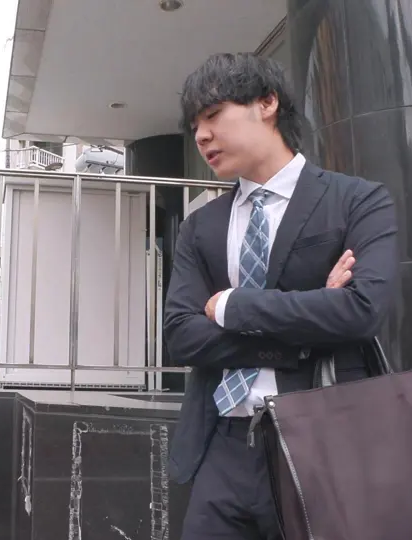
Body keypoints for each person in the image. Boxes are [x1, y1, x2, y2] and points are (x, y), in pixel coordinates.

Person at [163, 53, 399, 539]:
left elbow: (361, 311)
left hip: (323, 442)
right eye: (195, 126)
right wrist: (308, 323)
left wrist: (233, 306)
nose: (201, 136)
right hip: (221, 444)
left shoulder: (357, 200)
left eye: (213, 115)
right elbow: (181, 336)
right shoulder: (200, 227)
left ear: (267, 103)